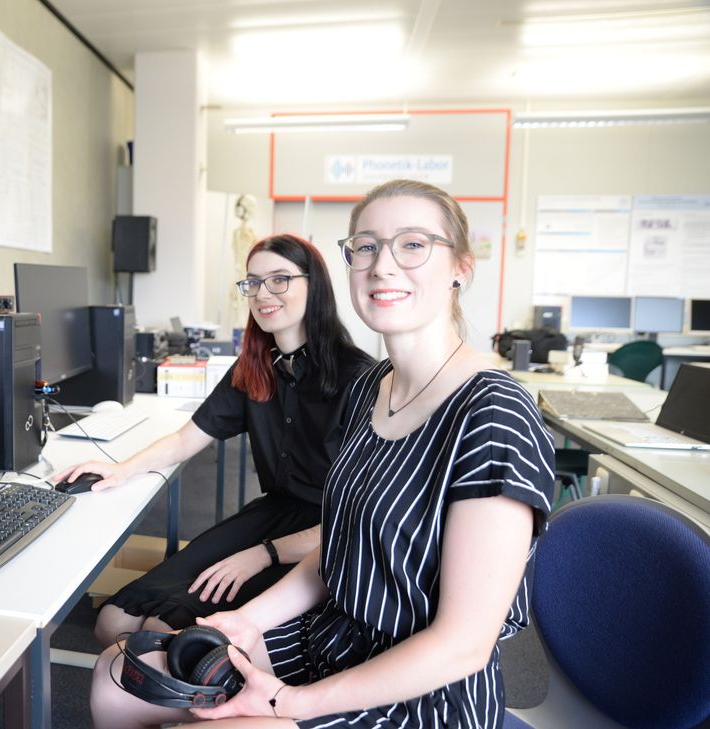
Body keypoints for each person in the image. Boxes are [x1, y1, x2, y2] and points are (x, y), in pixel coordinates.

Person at [90, 179, 555, 729]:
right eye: (366, 247)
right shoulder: (372, 389)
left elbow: (462, 646)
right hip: (333, 636)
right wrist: (247, 621)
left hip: (421, 692)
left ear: (461, 268)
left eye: (412, 244)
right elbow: (339, 547)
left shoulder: (494, 414)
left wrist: (288, 702)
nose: (382, 266)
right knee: (117, 676)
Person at [54, 233, 373, 648]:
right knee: (112, 621)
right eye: (253, 282)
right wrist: (121, 469)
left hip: (324, 536)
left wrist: (263, 553)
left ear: (315, 287)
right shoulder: (256, 367)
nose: (262, 294)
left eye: (279, 279)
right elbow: (185, 440)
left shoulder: (360, 379)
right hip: (269, 515)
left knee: (163, 635)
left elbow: (358, 520)